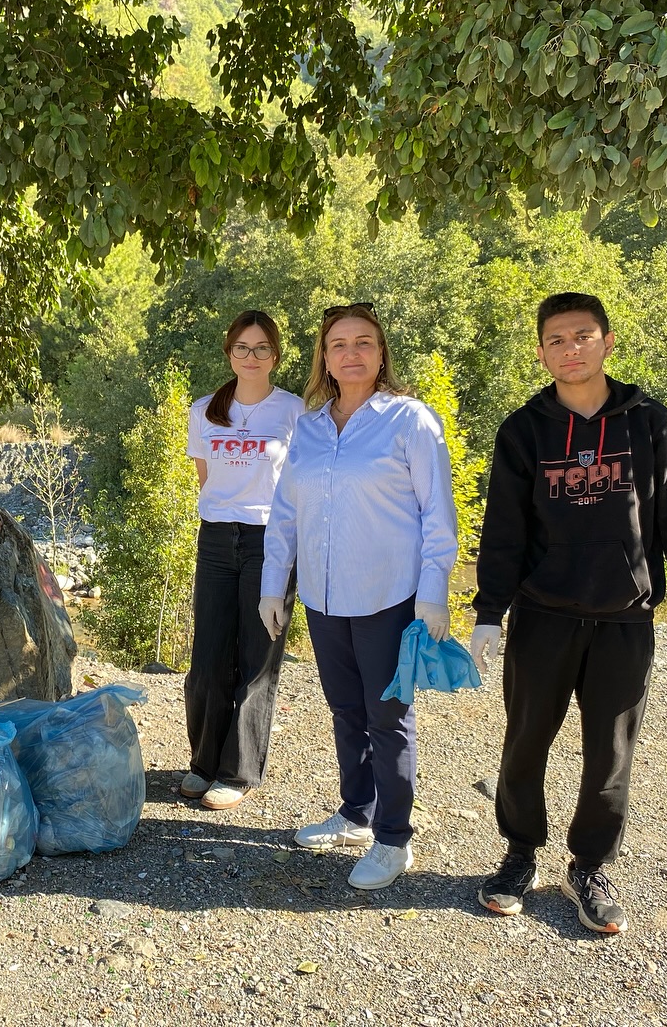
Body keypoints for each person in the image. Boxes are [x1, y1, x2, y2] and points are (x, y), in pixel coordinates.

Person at [470, 291, 667, 935]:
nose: (570, 349)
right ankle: (519, 854)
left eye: (582, 336)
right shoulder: (524, 430)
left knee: (610, 753)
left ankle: (590, 866)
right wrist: (488, 611)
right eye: (556, 340)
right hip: (543, 615)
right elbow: (504, 530)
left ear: (607, 342)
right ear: (541, 353)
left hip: (624, 617)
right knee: (525, 742)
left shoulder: (650, 424)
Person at [261, 302, 457, 890]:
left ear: (381, 352)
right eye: (339, 344)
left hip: (388, 597)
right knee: (346, 711)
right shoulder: (309, 427)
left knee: (388, 718)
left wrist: (434, 591)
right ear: (324, 357)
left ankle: (393, 840)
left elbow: (437, 512)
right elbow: (286, 512)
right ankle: (356, 813)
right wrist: (274, 584)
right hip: (323, 598)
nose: (351, 353)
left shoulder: (410, 420)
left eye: (363, 342)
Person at [181, 310, 306, 811]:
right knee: (208, 655)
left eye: (261, 348)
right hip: (215, 538)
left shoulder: (294, 411)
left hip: (271, 540)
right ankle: (203, 762)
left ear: (275, 355)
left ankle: (237, 771)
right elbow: (206, 479)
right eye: (241, 347)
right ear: (229, 353)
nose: (250, 356)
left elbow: (300, 484)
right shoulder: (204, 410)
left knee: (258, 657)